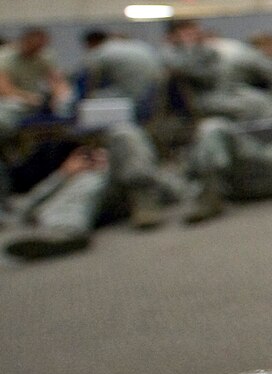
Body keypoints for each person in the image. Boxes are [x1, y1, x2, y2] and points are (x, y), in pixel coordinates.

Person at [3, 123, 184, 260]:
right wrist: (64, 173)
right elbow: (24, 207)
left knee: (123, 132)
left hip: (132, 190)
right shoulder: (68, 177)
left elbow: (176, 188)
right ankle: (64, 234)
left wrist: (115, 162)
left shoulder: (118, 160)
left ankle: (144, 200)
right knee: (89, 180)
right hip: (92, 207)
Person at [0, 28, 71, 137]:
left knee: (66, 107)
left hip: (37, 101)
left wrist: (59, 96)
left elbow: (57, 81)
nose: (38, 50)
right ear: (25, 41)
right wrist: (29, 98)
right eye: (35, 46)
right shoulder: (5, 57)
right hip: (11, 100)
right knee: (5, 117)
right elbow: (5, 90)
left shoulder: (43, 55)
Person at [79, 28, 167, 115]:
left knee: (95, 99)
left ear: (92, 43)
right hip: (155, 90)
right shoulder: (133, 44)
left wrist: (86, 99)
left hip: (134, 94)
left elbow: (91, 80)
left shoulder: (101, 51)